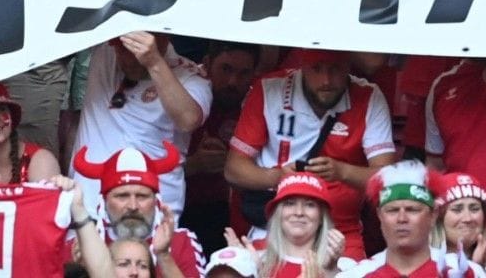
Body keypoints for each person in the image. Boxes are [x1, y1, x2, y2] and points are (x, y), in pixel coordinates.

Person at [226, 51, 397, 255]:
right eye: (316, 69)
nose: (326, 80)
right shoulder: (270, 88)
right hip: (275, 228)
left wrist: (341, 171)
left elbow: (389, 179)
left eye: (335, 69)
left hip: (339, 232)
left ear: (349, 66)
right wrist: (277, 176)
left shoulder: (368, 95)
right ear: (302, 65)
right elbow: (233, 170)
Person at [75, 35, 212, 218]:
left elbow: (188, 120)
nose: (125, 58)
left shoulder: (190, 76)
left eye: (134, 52)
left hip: (151, 216)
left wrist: (153, 62)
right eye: (120, 48)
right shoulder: (104, 54)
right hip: (89, 209)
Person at [73, 146, 205, 276]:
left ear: (156, 201)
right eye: (122, 196)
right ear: (104, 202)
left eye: (142, 196)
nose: (133, 206)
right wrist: (83, 270)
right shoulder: (81, 246)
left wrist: (164, 256)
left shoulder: (181, 242)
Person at [349, 162, 483, 277]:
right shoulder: (356, 275)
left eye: (412, 210)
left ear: (433, 215)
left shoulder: (463, 273)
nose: (402, 219)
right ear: (379, 215)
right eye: (392, 210)